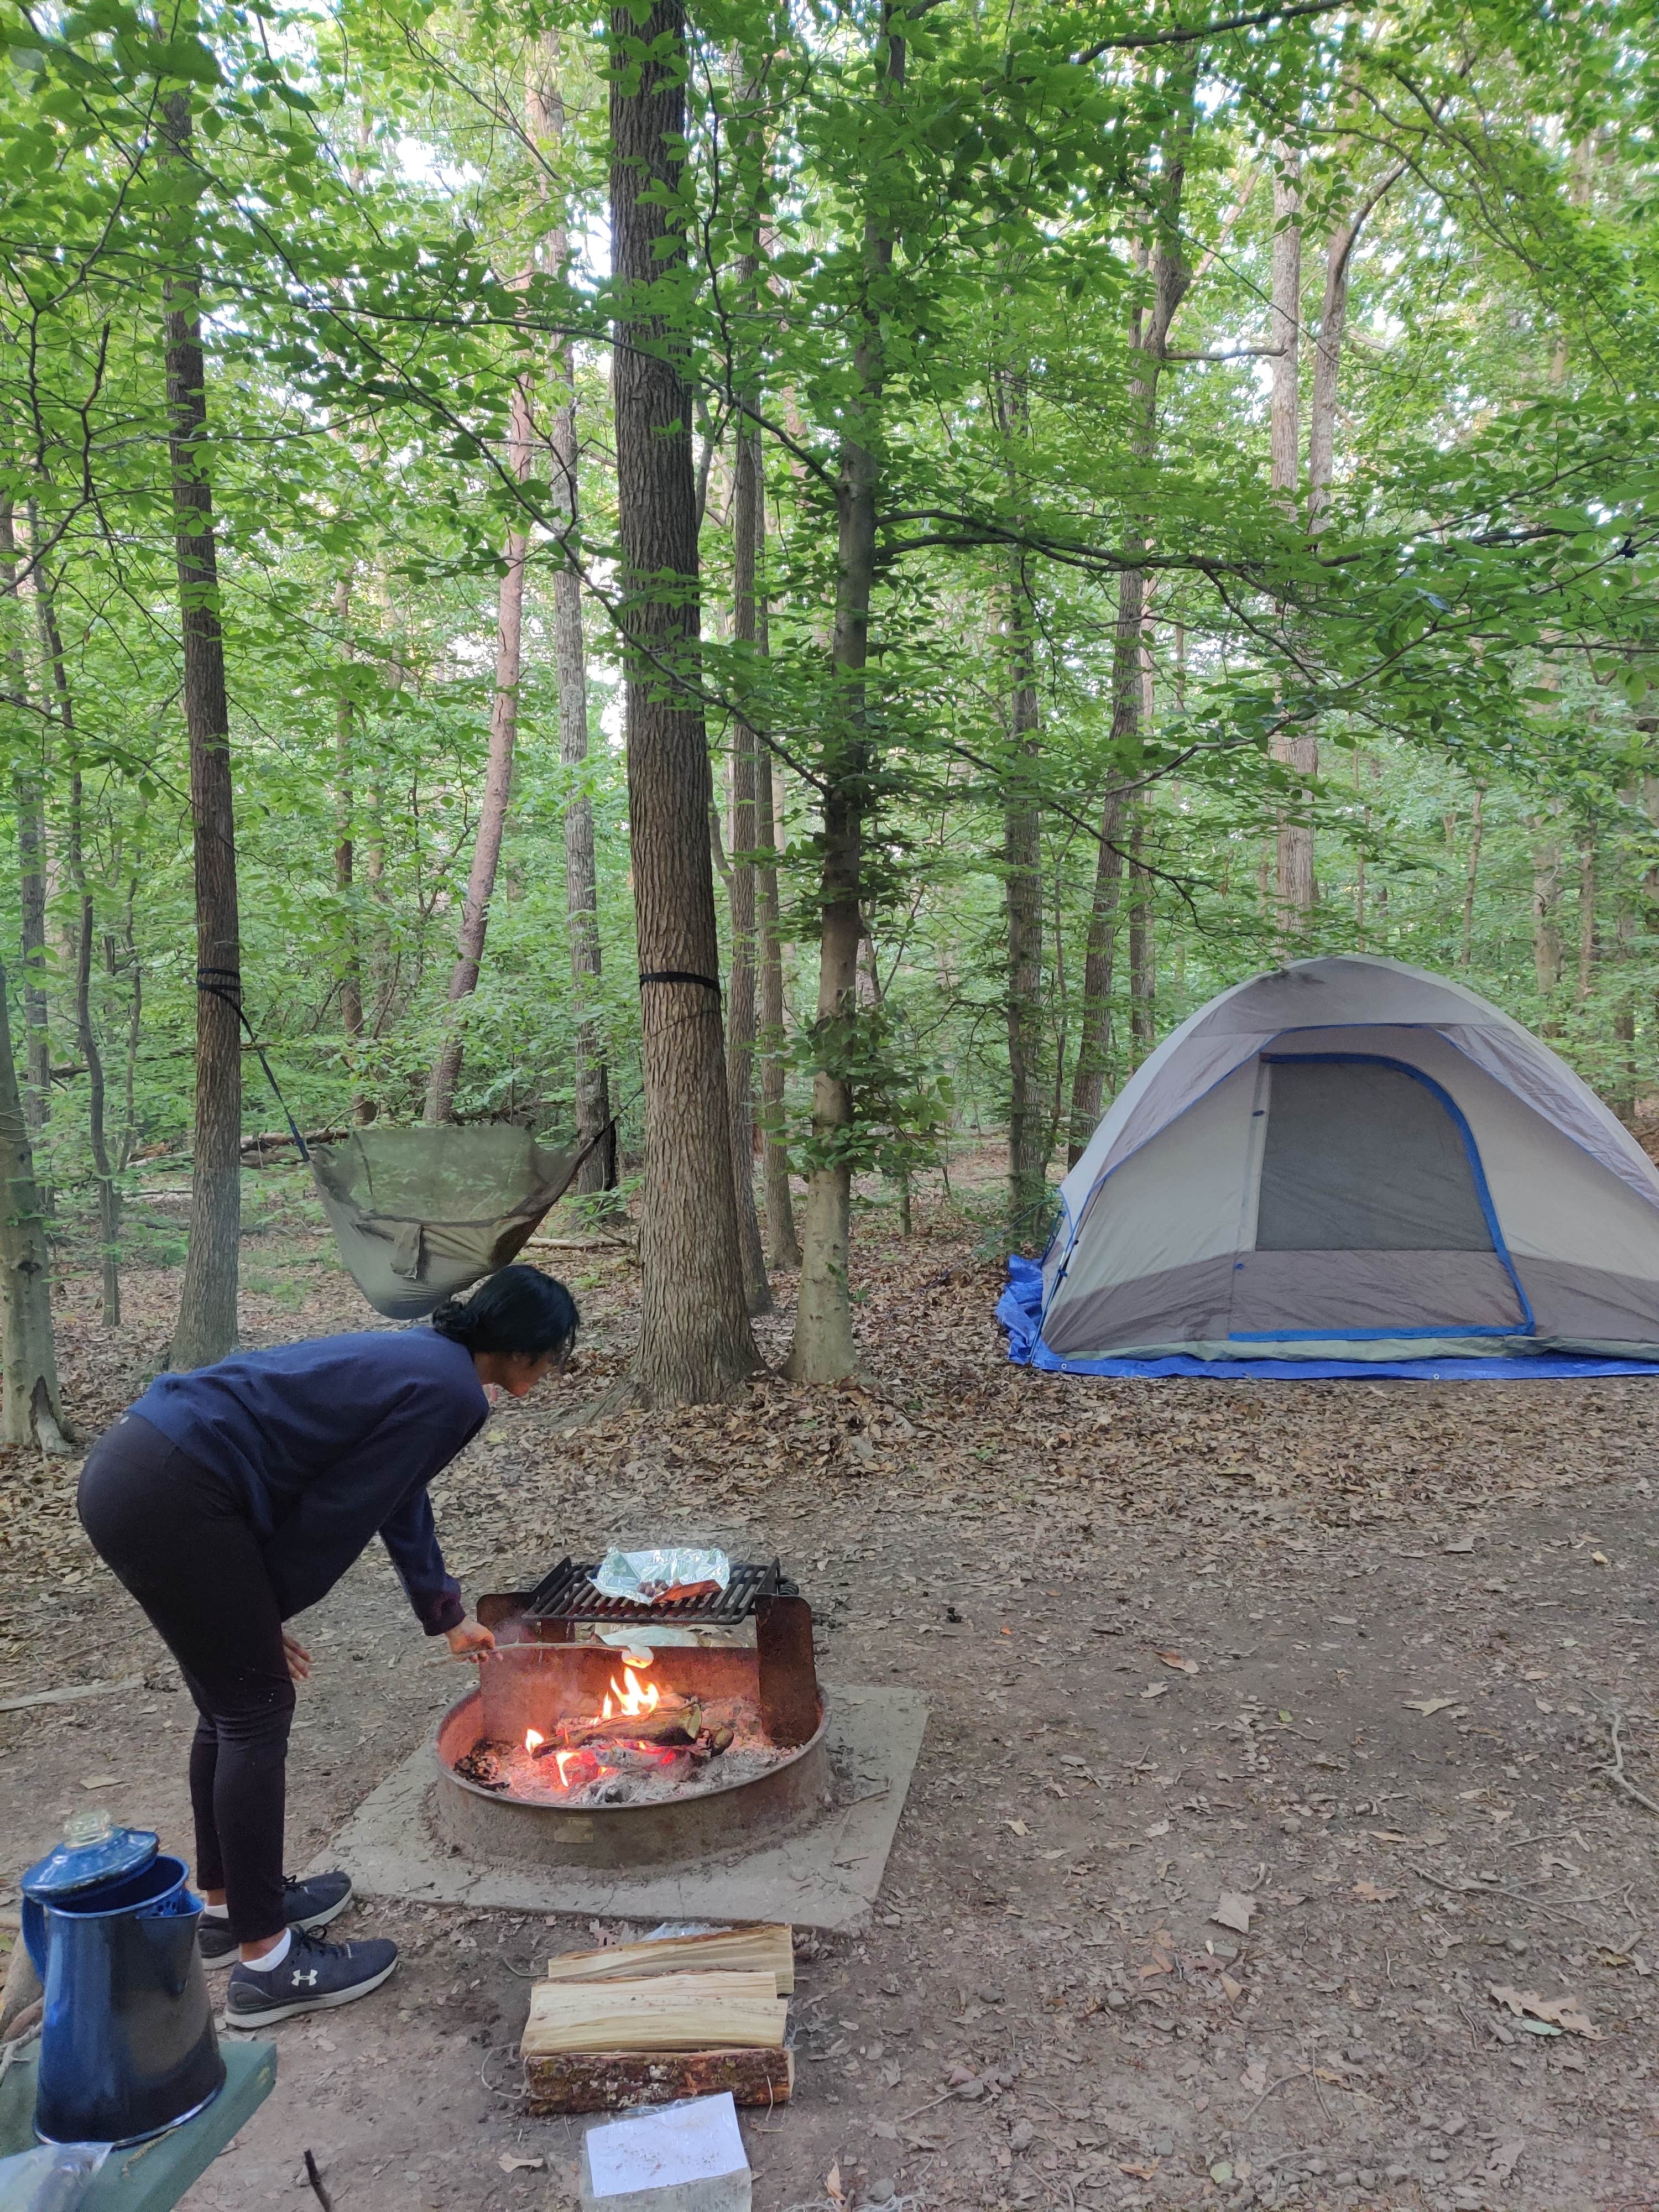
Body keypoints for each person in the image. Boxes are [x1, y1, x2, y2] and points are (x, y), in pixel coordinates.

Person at [77, 1265, 578, 2028]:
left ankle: (227, 1909)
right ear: (525, 1350)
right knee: (254, 1707)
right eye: (554, 1355)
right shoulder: (450, 1392)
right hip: (177, 1489)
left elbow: (398, 1491)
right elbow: (345, 1508)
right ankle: (268, 1965)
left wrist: (444, 1611)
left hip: (140, 1467)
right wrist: (262, 1609)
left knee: (227, 1706)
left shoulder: (432, 1366)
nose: (552, 1370)